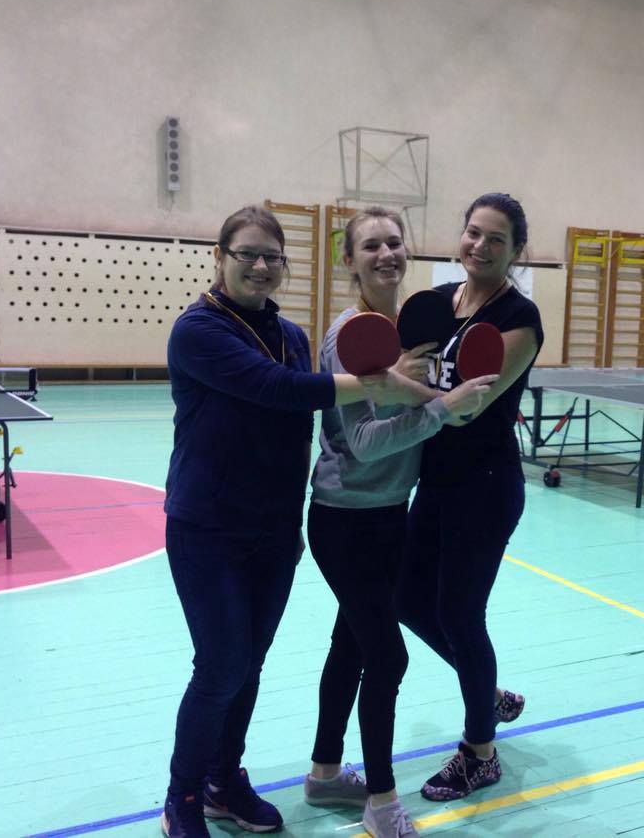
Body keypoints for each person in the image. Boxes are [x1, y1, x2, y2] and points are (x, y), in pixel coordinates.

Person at [161, 205, 437, 838]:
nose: (260, 266)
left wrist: (290, 528)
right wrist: (386, 385)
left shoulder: (289, 335)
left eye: (272, 256)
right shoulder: (197, 330)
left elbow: (296, 434)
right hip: (207, 528)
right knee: (221, 665)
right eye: (247, 254)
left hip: (272, 530)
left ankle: (223, 779)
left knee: (248, 664)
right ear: (220, 257)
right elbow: (277, 391)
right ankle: (182, 796)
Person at [301, 207, 494, 837]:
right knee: (388, 658)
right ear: (349, 260)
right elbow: (361, 443)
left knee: (351, 647)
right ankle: (382, 803)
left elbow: (431, 409)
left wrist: (447, 405)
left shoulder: (411, 334)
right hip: (343, 521)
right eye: (371, 246)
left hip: (391, 516)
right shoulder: (350, 335)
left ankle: (324, 775)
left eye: (394, 242)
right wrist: (439, 411)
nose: (386, 254)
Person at [395, 193, 543, 801]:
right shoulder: (437, 303)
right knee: (406, 598)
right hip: (434, 481)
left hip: (485, 487)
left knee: (460, 614)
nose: (480, 246)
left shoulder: (519, 319)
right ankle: (489, 695)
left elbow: (466, 409)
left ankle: (480, 753)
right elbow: (419, 380)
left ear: (516, 251)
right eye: (473, 233)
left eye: (496, 239)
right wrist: (405, 379)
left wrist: (400, 384)